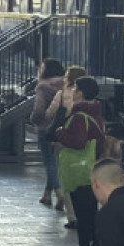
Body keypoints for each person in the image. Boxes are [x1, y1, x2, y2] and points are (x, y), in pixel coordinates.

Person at [55, 76, 107, 246]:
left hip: (80, 171)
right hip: (92, 169)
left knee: (84, 216)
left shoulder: (79, 116)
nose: (72, 91)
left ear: (81, 92)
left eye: (75, 88)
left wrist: (60, 132)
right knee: (91, 214)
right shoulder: (96, 112)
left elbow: (78, 142)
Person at [46, 64, 87, 226]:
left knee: (66, 176)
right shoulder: (88, 97)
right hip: (84, 141)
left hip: (64, 139)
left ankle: (72, 216)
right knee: (83, 176)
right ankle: (84, 211)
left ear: (69, 79)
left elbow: (50, 113)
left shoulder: (62, 94)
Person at [31, 58, 66, 208]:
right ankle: (47, 194)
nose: (40, 70)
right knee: (55, 161)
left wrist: (35, 120)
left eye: (42, 67)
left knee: (50, 162)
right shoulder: (66, 83)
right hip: (62, 127)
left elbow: (39, 110)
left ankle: (59, 193)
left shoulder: (43, 86)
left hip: (46, 127)